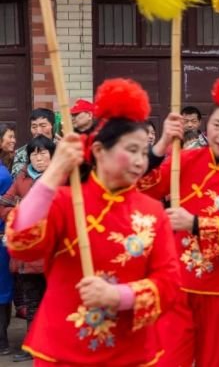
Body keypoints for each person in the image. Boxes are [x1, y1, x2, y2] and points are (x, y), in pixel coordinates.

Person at [4, 78, 181, 365]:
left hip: (129, 349)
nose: (140, 160)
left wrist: (119, 295)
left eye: (142, 151)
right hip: (62, 347)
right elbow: (20, 243)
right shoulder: (65, 200)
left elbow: (170, 283)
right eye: (130, 150)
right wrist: (54, 172)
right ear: (99, 151)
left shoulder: (152, 211)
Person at [139, 76, 219, 367]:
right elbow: (143, 186)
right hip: (178, 281)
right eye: (217, 126)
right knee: (166, 360)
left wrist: (194, 223)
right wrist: (161, 145)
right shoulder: (186, 159)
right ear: (206, 126)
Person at [0, 135, 55, 362]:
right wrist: (22, 212)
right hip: (27, 253)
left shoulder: (60, 178)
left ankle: (53, 345)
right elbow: (4, 205)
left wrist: (29, 209)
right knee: (32, 302)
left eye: (43, 153)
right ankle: (33, 346)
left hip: (52, 252)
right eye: (34, 153)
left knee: (53, 301)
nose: (38, 158)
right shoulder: (21, 177)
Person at [0, 123, 15, 356]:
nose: (13, 140)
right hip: (2, 237)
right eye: (9, 137)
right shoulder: (3, 173)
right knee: (3, 289)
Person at [12, 108, 57, 178]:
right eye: (34, 127)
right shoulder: (21, 153)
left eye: (43, 126)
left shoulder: (62, 148)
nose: (38, 131)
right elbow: (17, 178)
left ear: (53, 126)